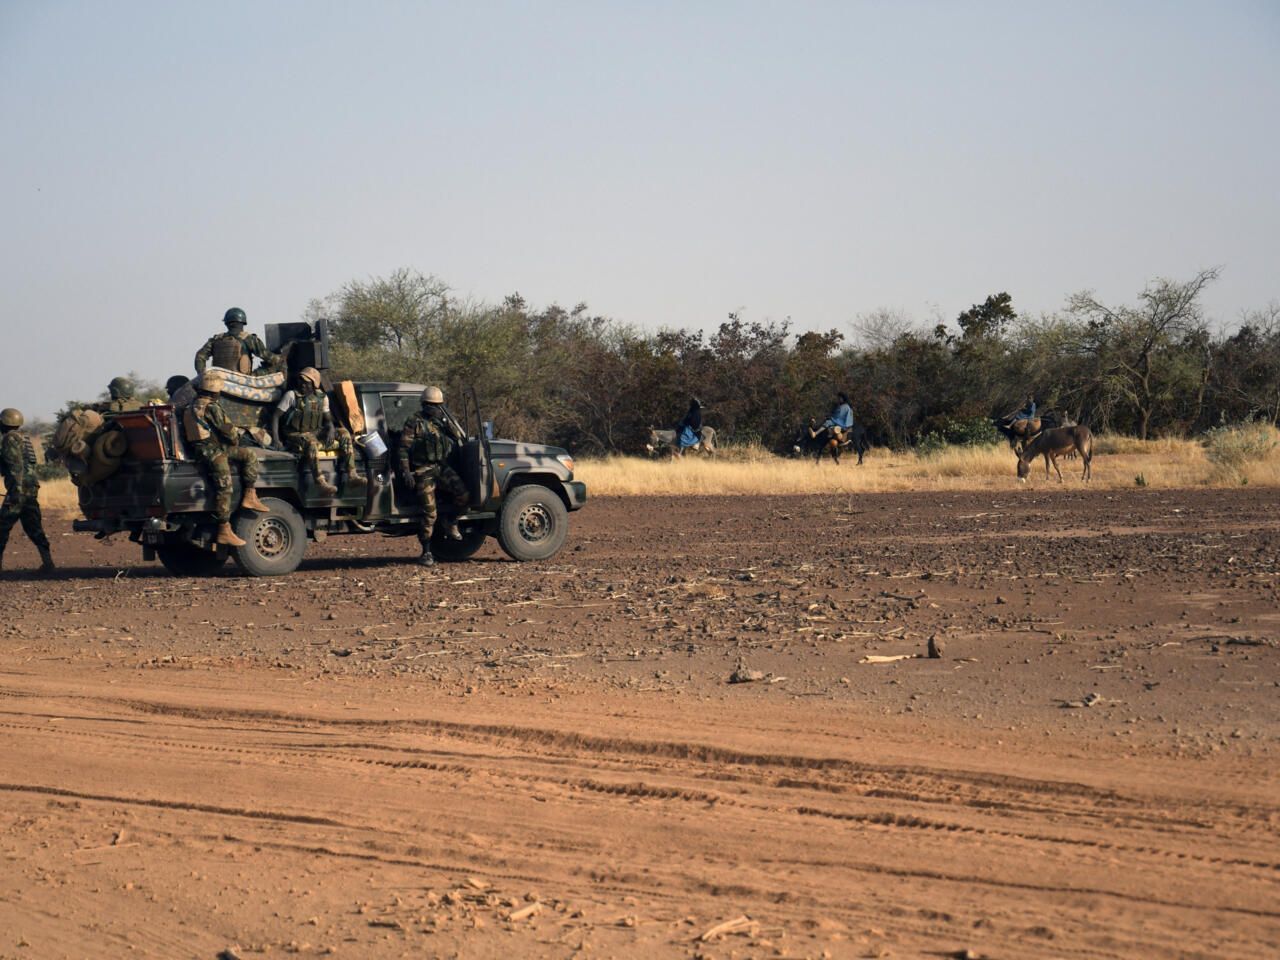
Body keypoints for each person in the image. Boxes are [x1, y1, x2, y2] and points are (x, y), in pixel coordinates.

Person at [181, 370, 268, 546]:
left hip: (201, 450)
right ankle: (224, 529)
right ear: (215, 392)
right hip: (213, 452)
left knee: (248, 455)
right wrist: (236, 437)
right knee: (225, 487)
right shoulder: (212, 407)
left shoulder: (191, 406)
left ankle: (250, 496)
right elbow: (229, 432)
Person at [397, 386, 469, 566]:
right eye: (432, 405)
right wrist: (406, 471)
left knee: (464, 495)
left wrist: (446, 420)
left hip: (441, 468)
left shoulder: (440, 422)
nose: (435, 408)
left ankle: (451, 522)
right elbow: (403, 449)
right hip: (422, 470)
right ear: (424, 405)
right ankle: (426, 551)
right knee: (429, 513)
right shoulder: (414, 422)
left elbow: (459, 436)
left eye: (438, 405)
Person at [272, 366, 365, 497]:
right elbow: (276, 416)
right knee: (312, 443)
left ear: (314, 385)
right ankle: (320, 482)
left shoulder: (322, 398)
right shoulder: (292, 396)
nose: (302, 385)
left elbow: (328, 420)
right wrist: (276, 439)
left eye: (306, 383)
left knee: (344, 433)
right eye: (301, 381)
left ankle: (352, 475)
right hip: (295, 434)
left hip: (315, 432)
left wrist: (331, 429)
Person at [0, 408, 54, 574]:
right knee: (33, 526)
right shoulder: (24, 438)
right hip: (30, 489)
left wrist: (15, 491)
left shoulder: (9, 439)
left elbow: (16, 466)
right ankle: (48, 563)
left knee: (2, 527)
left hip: (19, 490)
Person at [194, 307, 282, 376]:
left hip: (219, 377)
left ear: (226, 323)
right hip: (243, 378)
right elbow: (268, 357)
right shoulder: (249, 339)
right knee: (276, 366)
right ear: (243, 322)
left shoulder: (216, 339)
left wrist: (203, 375)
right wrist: (281, 358)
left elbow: (200, 356)